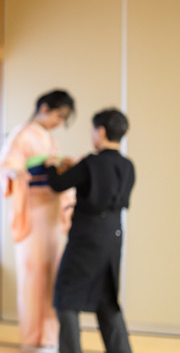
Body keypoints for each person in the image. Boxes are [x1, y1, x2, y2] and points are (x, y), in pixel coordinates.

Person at [44, 109, 135, 353]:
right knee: (107, 300)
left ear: (101, 131)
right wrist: (80, 167)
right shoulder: (127, 166)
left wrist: (52, 166)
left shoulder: (90, 163)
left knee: (66, 297)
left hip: (88, 237)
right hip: (114, 235)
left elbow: (57, 184)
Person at [0, 89, 76, 352]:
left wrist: (62, 166)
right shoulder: (22, 134)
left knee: (53, 275)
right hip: (33, 212)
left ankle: (50, 337)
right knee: (32, 276)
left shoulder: (49, 139)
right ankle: (32, 339)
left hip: (51, 213)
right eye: (59, 115)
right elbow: (4, 167)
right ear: (44, 108)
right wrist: (34, 166)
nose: (58, 122)